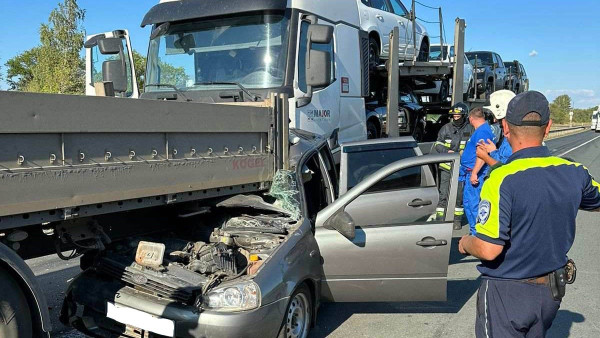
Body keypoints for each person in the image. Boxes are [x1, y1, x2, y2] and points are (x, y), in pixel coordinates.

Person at [458, 91, 600, 337]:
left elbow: (489, 249)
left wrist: (465, 243)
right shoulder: (574, 172)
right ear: (548, 128)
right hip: (550, 294)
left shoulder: (500, 180)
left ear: (505, 127)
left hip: (507, 294)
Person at [433, 102, 473, 229]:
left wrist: (464, 154)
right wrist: (446, 151)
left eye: (458, 116)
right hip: (446, 167)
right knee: (443, 194)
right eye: (454, 116)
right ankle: (440, 218)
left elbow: (473, 146)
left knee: (459, 196)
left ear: (464, 115)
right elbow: (438, 144)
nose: (456, 117)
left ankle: (457, 220)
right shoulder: (446, 128)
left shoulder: (470, 129)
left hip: (461, 168)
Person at [460, 107, 495, 234]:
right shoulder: (481, 130)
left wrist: (474, 172)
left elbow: (482, 154)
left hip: (476, 174)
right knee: (469, 204)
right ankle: (474, 232)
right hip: (470, 172)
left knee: (473, 205)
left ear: (471, 118)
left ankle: (477, 235)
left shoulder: (482, 132)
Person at [477, 90, 515, 167]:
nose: (495, 120)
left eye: (494, 116)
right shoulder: (509, 135)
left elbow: (505, 167)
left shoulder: (512, 139)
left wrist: (488, 155)